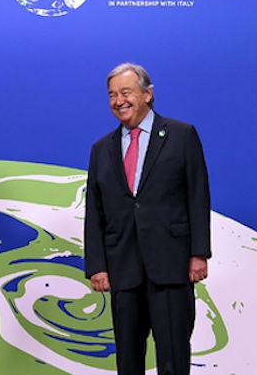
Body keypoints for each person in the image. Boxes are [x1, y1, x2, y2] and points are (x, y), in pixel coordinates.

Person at [84, 62, 211, 375]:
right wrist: (97, 266)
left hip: (171, 264)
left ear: (147, 95)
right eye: (112, 95)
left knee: (173, 357)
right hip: (122, 267)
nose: (118, 101)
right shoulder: (101, 149)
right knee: (128, 359)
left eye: (126, 92)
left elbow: (197, 196)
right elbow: (95, 212)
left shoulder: (181, 135)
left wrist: (199, 253)